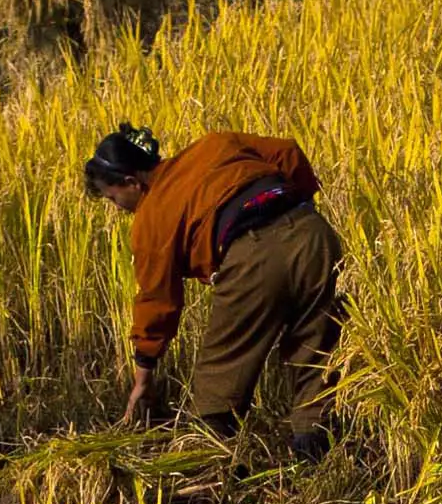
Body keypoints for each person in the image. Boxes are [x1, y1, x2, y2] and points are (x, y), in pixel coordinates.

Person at [83, 123, 340, 455]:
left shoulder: (151, 215)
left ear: (131, 181)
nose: (117, 207)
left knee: (220, 375)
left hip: (255, 252)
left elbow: (157, 302)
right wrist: (298, 206)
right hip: (315, 235)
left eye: (113, 197)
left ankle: (208, 466)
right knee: (316, 349)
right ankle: (316, 457)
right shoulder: (215, 143)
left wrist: (142, 381)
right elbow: (287, 150)